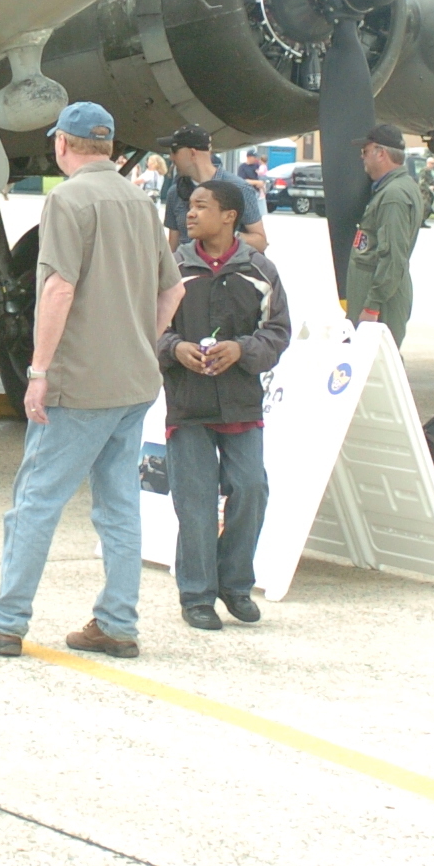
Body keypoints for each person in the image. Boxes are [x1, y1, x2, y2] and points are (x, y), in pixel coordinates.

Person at [0, 103, 182, 662]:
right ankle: (116, 623)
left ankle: (6, 621)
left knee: (35, 502)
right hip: (134, 383)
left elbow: (58, 289)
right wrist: (141, 339)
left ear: (63, 144)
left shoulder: (67, 200)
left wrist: (37, 370)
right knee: (118, 507)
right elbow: (173, 291)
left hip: (79, 383)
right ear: (107, 147)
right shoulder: (142, 202)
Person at [155, 178, 289, 632]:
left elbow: (278, 333)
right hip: (188, 406)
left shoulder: (260, 270)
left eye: (200, 206)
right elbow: (147, 327)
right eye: (188, 207)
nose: (188, 214)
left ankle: (235, 585)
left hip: (241, 404)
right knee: (194, 501)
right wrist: (174, 349)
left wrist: (243, 350)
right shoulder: (172, 268)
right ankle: (196, 595)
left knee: (251, 488)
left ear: (229, 216)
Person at [343, 125, 423, 344]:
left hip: (381, 302)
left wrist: (371, 305)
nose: (362, 158)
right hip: (379, 296)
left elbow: (392, 255)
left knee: (376, 367)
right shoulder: (396, 188)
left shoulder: (393, 196)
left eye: (365, 152)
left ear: (381, 153)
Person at [156, 125, 268, 252]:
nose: (171, 157)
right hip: (188, 270)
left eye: (174, 151)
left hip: (229, 269)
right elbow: (173, 247)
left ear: (192, 153)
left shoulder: (239, 188)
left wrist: (226, 236)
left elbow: (261, 242)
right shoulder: (175, 192)